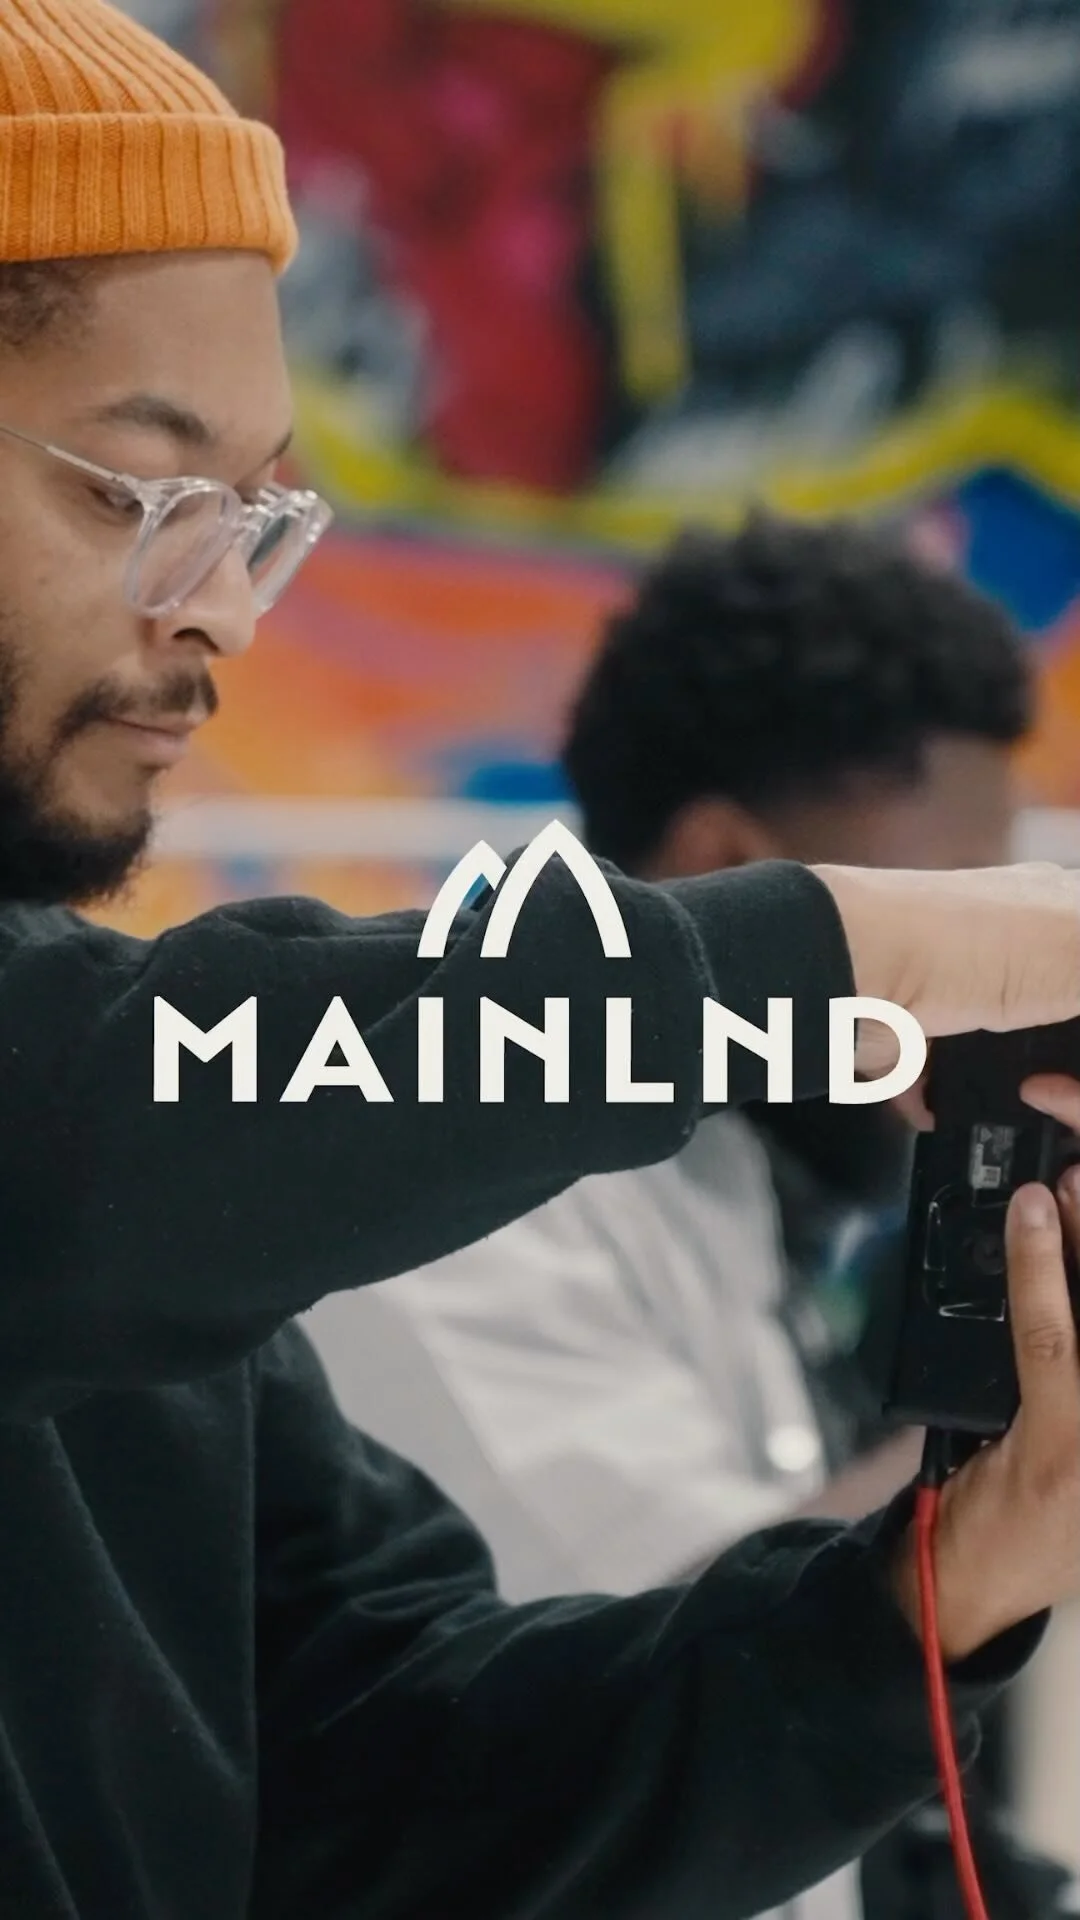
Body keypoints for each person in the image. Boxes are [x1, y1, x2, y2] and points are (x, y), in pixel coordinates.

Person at [2, 6, 1080, 1917]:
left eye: (255, 518)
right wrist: (858, 949)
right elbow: (94, 1128)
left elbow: (387, 1780)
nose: (225, 609)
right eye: (136, 493)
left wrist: (921, 1598)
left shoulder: (152, 1191)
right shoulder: (113, 1138)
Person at [311, 514, 1067, 1920]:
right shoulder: (469, 1197)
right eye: (958, 937)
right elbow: (690, 1689)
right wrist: (1014, 1434)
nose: (990, 1018)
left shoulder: (731, 1183)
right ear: (723, 861)